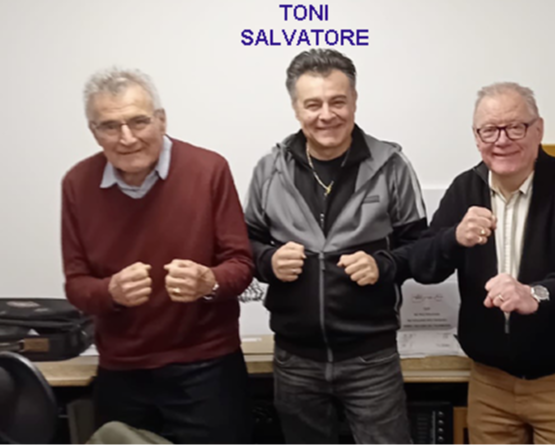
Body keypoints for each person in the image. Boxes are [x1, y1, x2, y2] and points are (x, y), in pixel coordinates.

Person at [390, 82, 555, 444]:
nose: (502, 140)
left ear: (538, 129)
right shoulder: (465, 188)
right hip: (489, 382)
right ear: (476, 136)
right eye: (490, 130)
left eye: (515, 127)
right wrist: (453, 238)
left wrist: (536, 293)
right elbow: (424, 267)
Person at [61, 68, 255, 445]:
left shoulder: (208, 170)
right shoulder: (77, 184)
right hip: (122, 369)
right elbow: (76, 285)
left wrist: (209, 282)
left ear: (161, 120)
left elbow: (241, 265)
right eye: (110, 126)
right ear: (94, 131)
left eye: (139, 121)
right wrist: (109, 292)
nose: (127, 138)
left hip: (206, 366)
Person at [244, 48, 427, 445]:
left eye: (337, 101)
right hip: (295, 360)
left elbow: (421, 248)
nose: (326, 115)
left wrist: (384, 264)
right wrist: (268, 260)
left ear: (355, 100)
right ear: (296, 108)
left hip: (371, 359)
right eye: (313, 104)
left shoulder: (391, 165)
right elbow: (245, 244)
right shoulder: (269, 169)